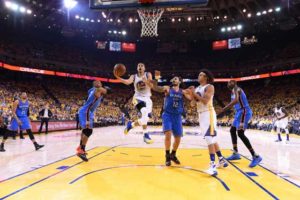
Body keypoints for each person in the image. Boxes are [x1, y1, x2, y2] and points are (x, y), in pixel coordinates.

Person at [190, 70, 228, 176]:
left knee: (209, 139)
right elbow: (193, 104)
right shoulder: (198, 88)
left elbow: (205, 101)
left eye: (200, 74)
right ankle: (221, 159)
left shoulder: (210, 86)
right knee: (212, 139)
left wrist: (194, 94)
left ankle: (212, 166)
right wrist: (192, 96)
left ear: (206, 77)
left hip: (208, 113)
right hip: (201, 115)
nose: (198, 76)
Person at [150, 76, 193, 166]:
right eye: (173, 78)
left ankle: (173, 154)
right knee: (168, 135)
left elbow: (191, 99)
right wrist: (155, 81)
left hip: (177, 116)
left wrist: (193, 91)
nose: (174, 79)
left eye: (176, 78)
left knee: (178, 138)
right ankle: (167, 156)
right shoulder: (167, 88)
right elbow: (156, 88)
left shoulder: (183, 91)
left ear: (180, 81)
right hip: (167, 115)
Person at [219, 80, 262, 168]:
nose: (229, 83)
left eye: (231, 82)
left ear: (235, 83)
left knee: (240, 133)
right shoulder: (232, 92)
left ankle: (256, 156)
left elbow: (235, 101)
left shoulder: (237, 89)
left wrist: (225, 108)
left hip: (244, 112)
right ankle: (235, 153)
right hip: (239, 113)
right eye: (228, 82)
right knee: (232, 130)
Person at [114, 63, 154, 144]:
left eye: (142, 66)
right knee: (144, 112)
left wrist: (146, 81)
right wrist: (118, 77)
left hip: (148, 99)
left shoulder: (148, 74)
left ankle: (131, 125)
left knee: (146, 118)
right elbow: (127, 82)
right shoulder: (134, 76)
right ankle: (145, 135)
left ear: (144, 68)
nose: (140, 67)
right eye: (138, 66)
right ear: (137, 68)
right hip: (137, 98)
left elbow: (152, 86)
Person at [76, 81, 109, 161]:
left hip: (87, 111)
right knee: (88, 131)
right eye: (98, 83)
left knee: (85, 131)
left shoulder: (92, 90)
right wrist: (106, 89)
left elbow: (93, 91)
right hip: (86, 111)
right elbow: (106, 91)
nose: (99, 83)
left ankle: (80, 148)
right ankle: (81, 150)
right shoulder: (97, 90)